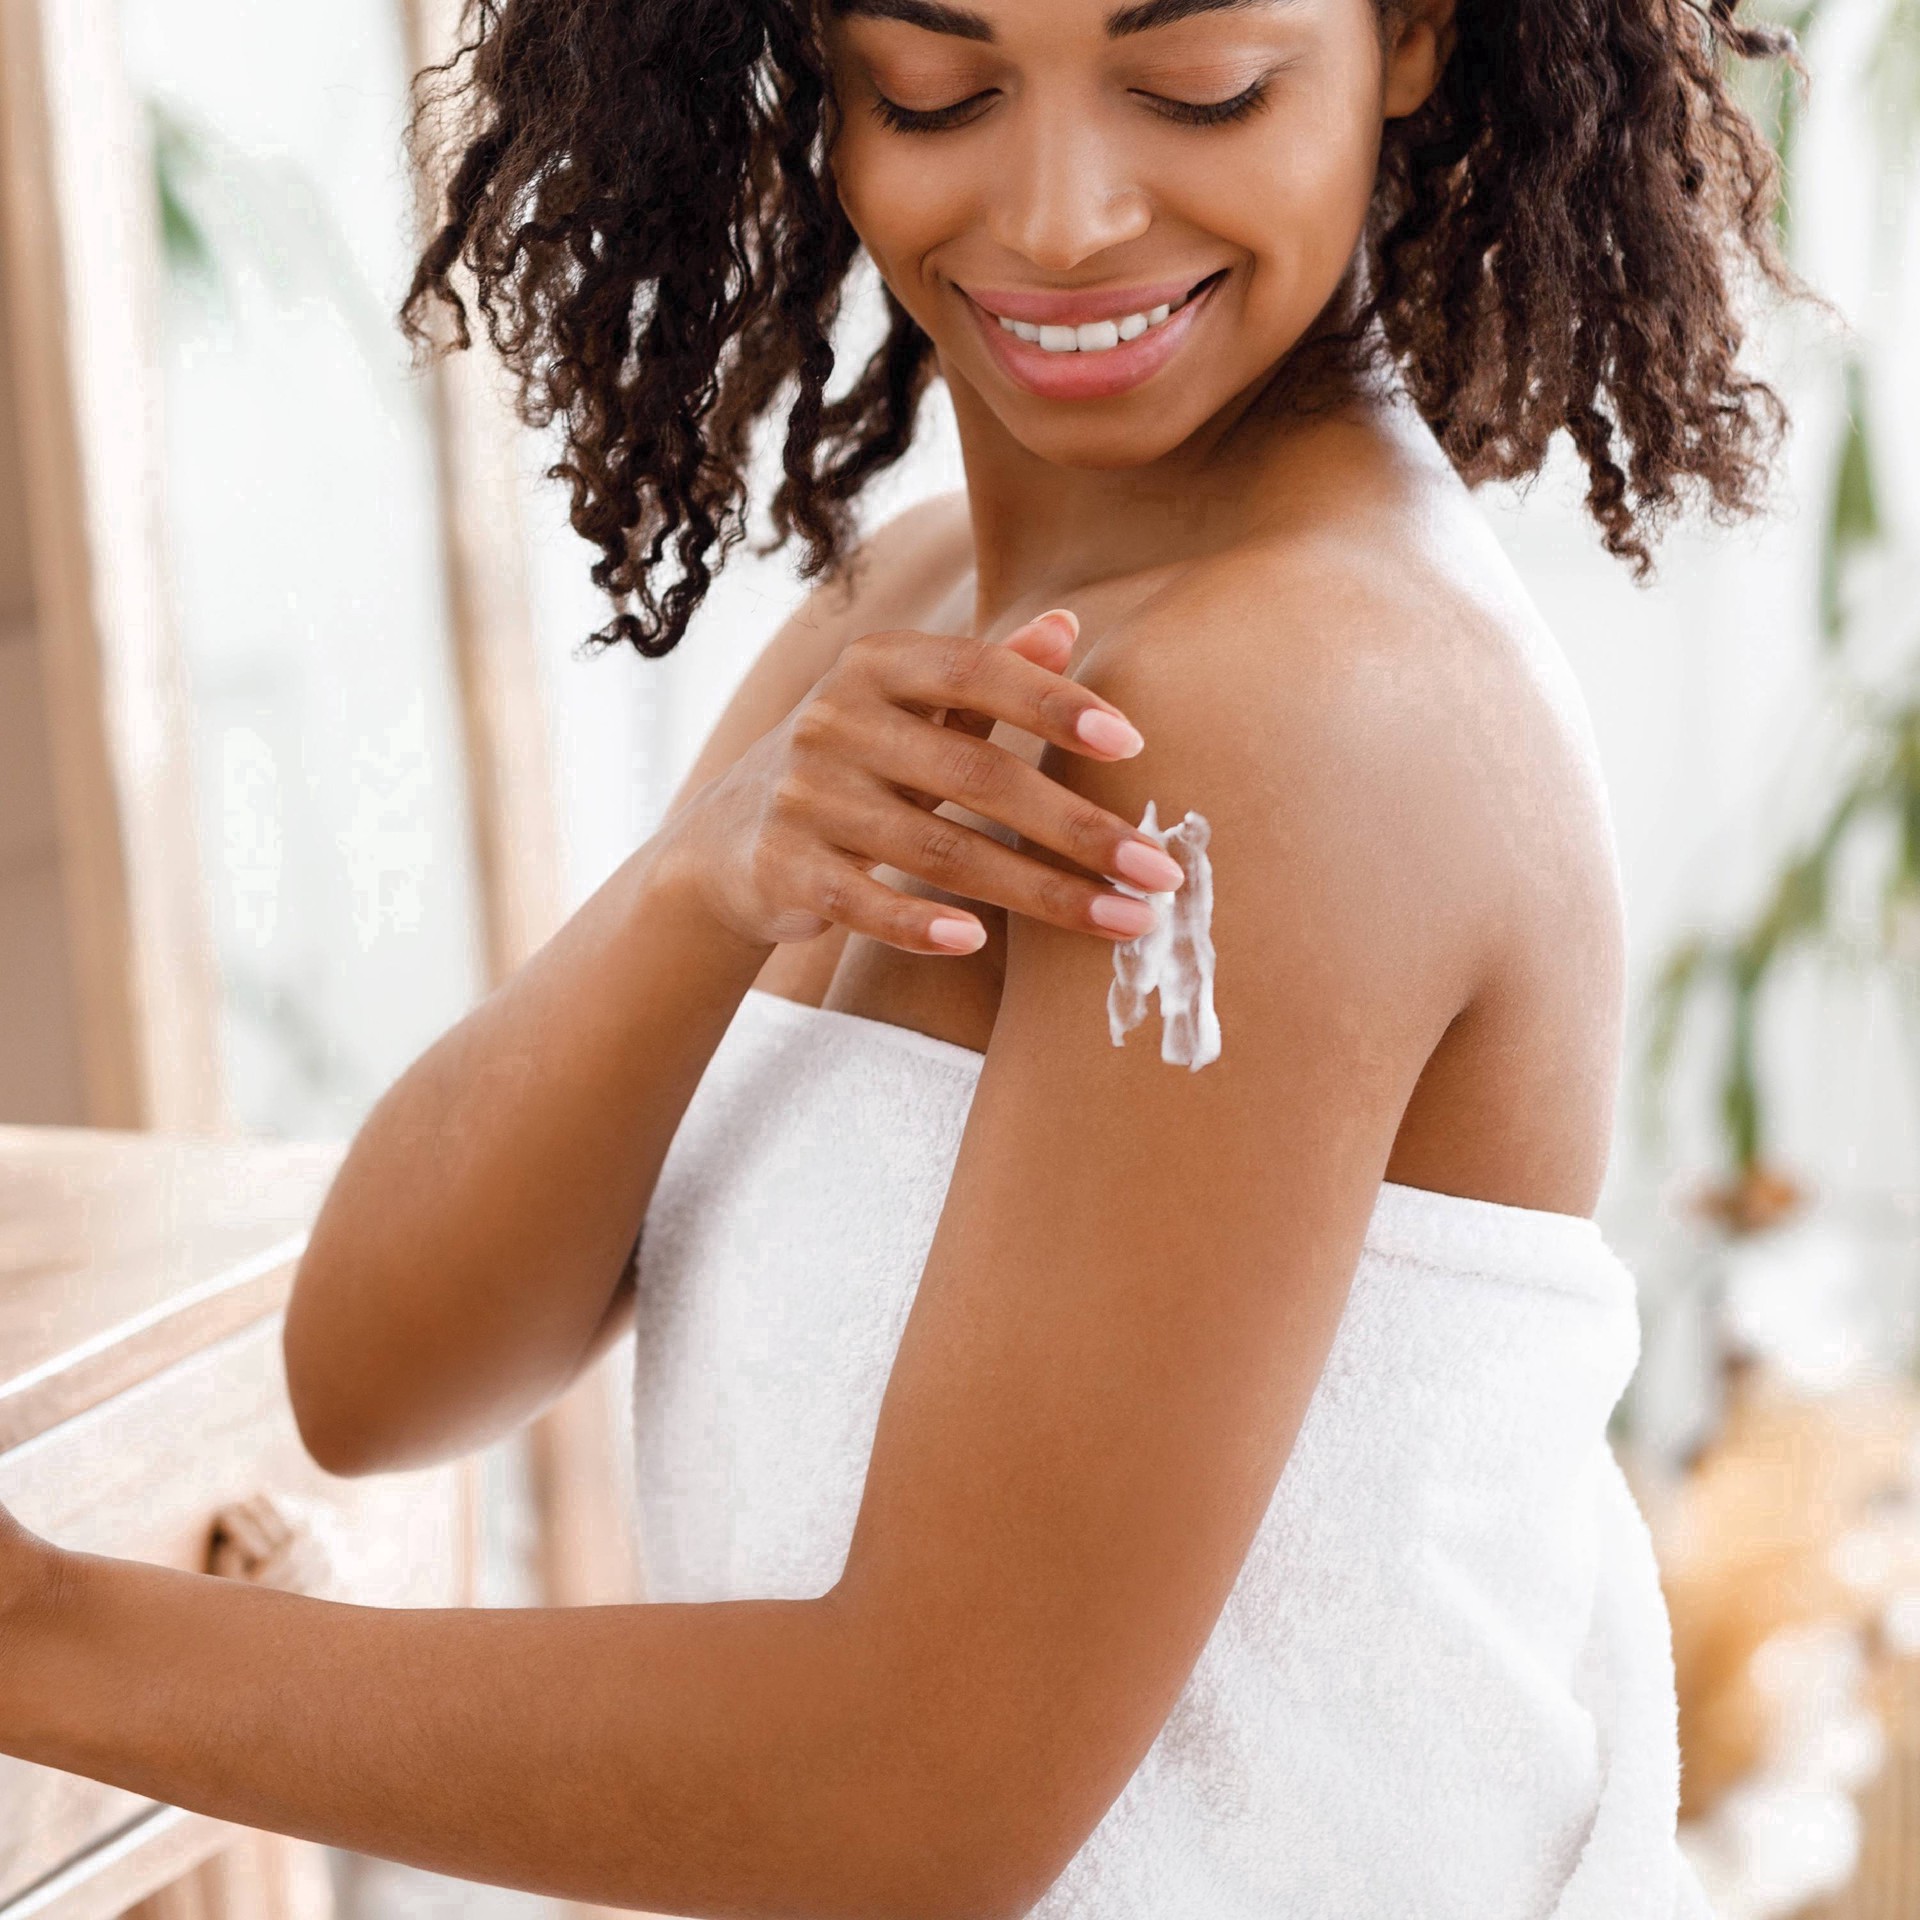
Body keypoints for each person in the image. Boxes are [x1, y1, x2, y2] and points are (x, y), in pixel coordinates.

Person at [0, 0, 1802, 1913]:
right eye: (934, 92)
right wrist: (695, 893)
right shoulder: (916, 609)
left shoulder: (1300, 717)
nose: (1061, 215)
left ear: (1417, 34)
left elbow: (918, 1789)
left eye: (1199, 87)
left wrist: (42, 1643)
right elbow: (372, 1381)